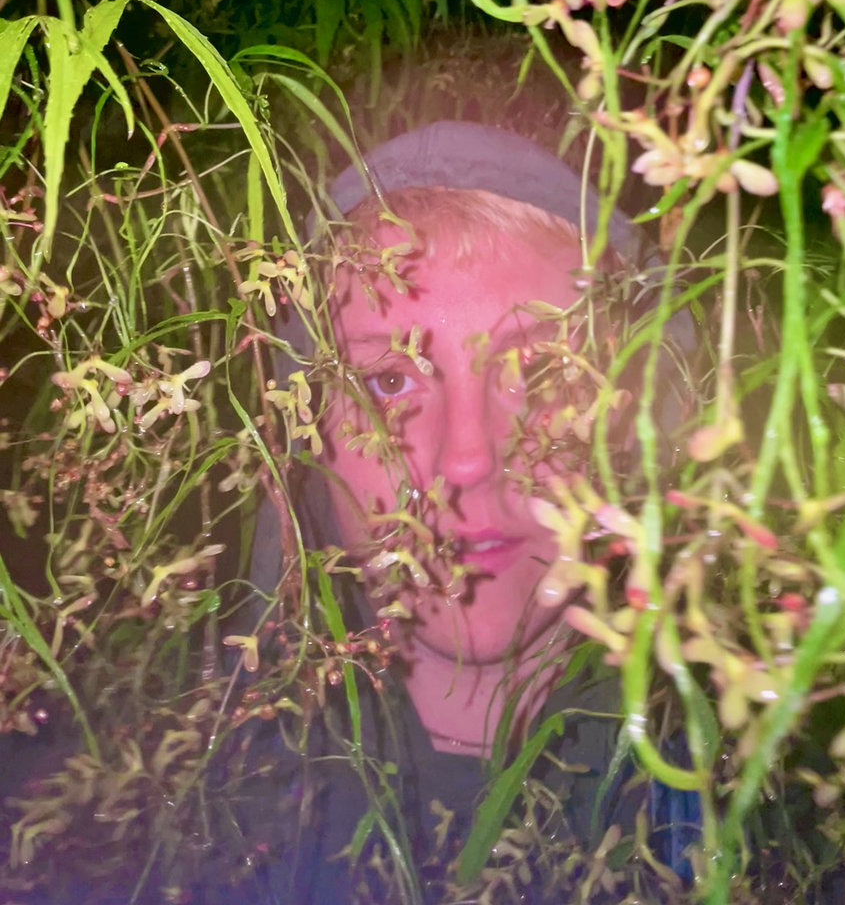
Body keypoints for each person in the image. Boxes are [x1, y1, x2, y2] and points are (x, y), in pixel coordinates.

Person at [235, 119, 699, 904]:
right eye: (387, 382)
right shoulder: (175, 811)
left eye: (540, 371)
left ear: (636, 416)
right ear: (307, 436)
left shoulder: (788, 819)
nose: (466, 460)